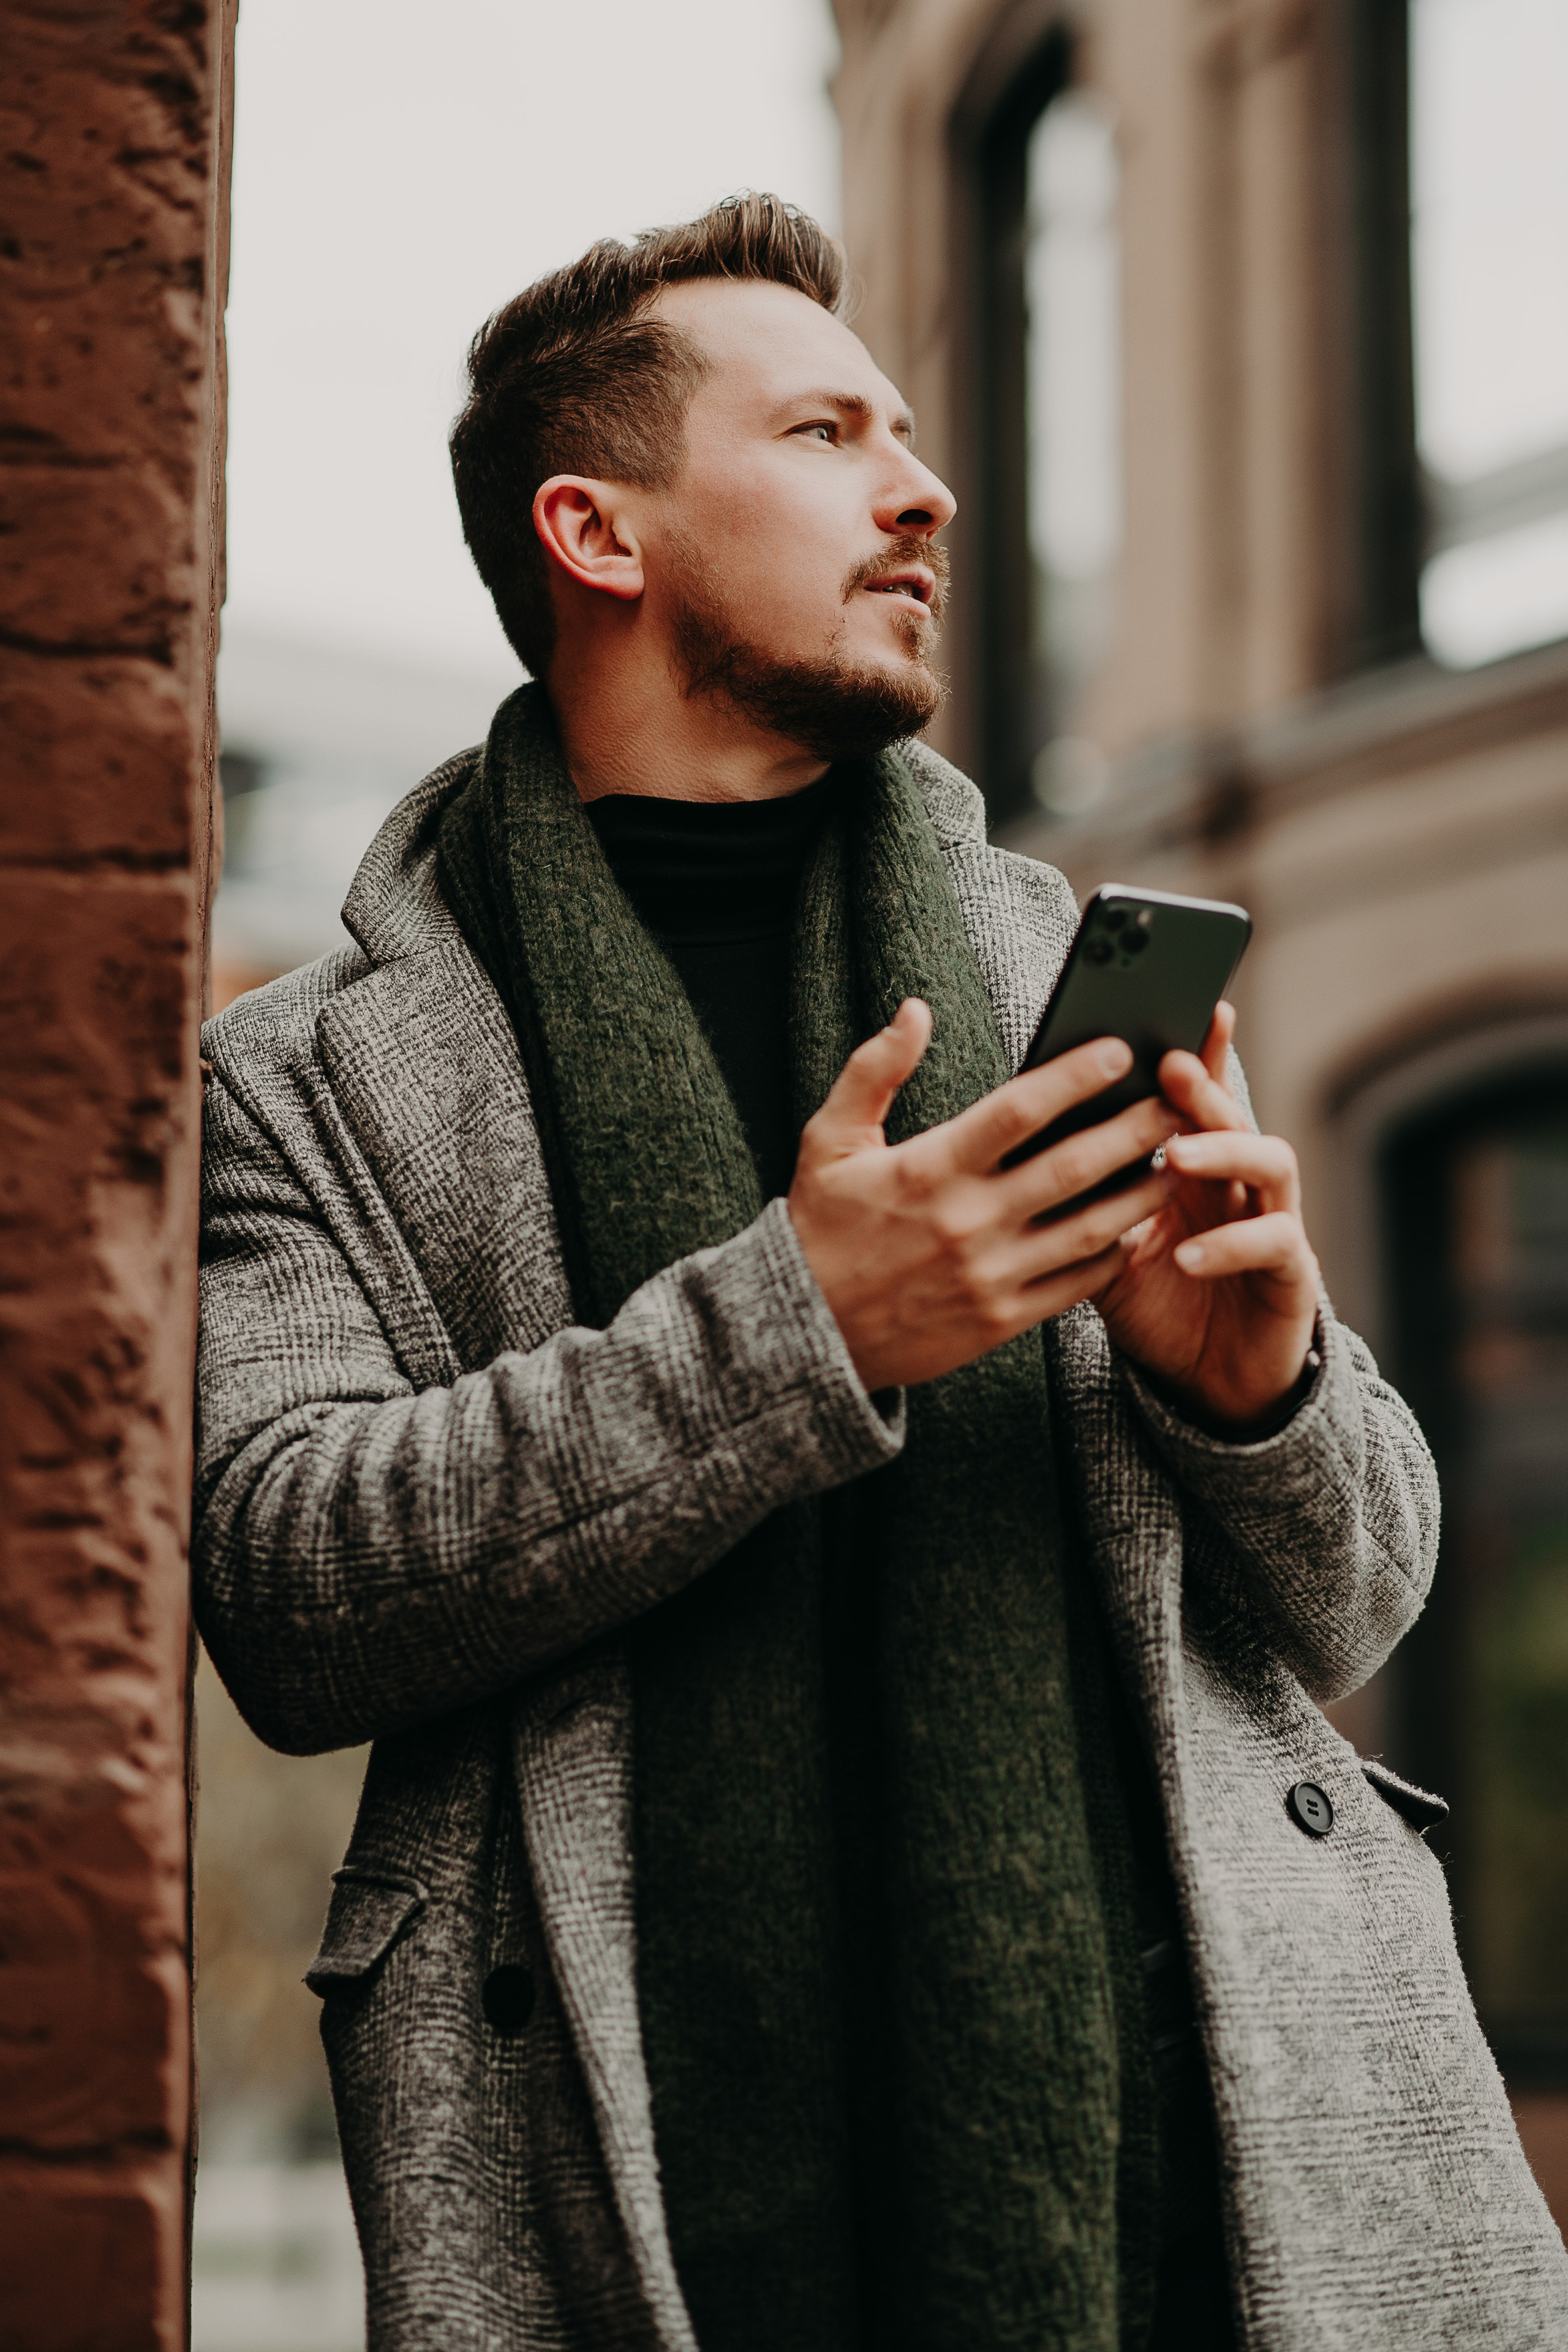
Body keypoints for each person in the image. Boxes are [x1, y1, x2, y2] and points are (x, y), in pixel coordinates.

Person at [194, 195, 1567, 2352]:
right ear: (599, 532)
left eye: (912, 435)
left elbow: (1363, 1597)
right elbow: (288, 1589)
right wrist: (798, 1334)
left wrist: (1259, 1392)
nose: (924, 490)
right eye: (829, 434)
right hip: (652, 2209)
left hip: (1221, 2208)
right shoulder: (317, 1071)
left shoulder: (1056, 961)